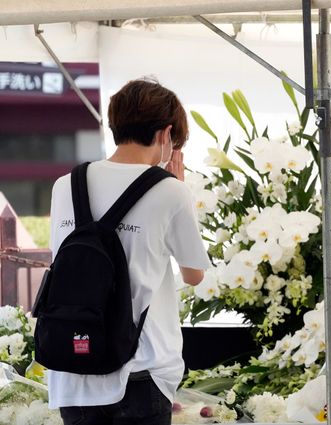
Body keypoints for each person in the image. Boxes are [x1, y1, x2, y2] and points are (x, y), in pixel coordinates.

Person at [47, 78, 210, 424]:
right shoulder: (170, 191)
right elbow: (194, 275)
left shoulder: (66, 185)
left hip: (71, 369)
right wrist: (179, 190)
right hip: (140, 369)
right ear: (166, 135)